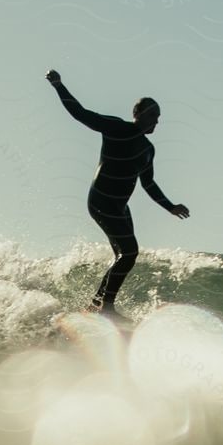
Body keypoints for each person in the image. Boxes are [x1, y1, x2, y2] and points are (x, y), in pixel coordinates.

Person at [46, 69, 189, 316]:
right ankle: (105, 306)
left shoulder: (147, 149)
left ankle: (96, 305)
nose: (156, 121)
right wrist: (59, 85)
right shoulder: (115, 128)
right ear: (137, 114)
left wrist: (171, 207)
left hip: (121, 208)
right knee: (130, 252)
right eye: (152, 115)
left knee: (123, 255)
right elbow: (81, 114)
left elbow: (149, 184)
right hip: (101, 202)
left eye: (158, 117)